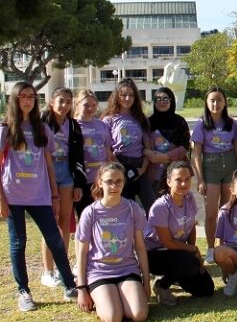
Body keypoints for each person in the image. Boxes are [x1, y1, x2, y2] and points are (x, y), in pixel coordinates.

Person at [0, 82, 78, 311]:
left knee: (55, 240)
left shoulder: (42, 129)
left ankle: (70, 285)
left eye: (31, 96)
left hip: (40, 196)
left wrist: (55, 195)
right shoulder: (5, 129)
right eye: (23, 96)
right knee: (18, 244)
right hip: (13, 196)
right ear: (15, 99)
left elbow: (49, 164)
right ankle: (24, 291)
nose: (28, 100)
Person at [74, 162, 150, 322]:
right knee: (113, 319)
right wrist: (81, 289)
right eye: (109, 181)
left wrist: (146, 282)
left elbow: (140, 248)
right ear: (100, 182)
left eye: (118, 181)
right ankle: (105, 299)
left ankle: (119, 297)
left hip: (126, 269)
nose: (114, 186)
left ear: (124, 182)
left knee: (139, 315)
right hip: (99, 272)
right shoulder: (90, 213)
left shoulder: (132, 208)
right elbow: (82, 253)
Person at [144, 161, 213, 306]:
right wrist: (193, 251)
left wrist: (192, 251)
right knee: (189, 262)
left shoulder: (190, 199)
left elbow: (191, 227)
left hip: (178, 254)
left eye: (187, 179)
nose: (184, 184)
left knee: (206, 289)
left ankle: (175, 275)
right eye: (178, 180)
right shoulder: (160, 207)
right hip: (154, 255)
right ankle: (161, 286)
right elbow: (167, 242)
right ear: (168, 182)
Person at [39, 87, 87, 288]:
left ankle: (62, 267)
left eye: (69, 101)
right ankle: (47, 271)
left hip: (66, 174)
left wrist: (78, 183)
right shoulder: (42, 123)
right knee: (49, 223)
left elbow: (78, 155)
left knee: (65, 223)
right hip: (45, 174)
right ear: (52, 102)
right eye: (61, 101)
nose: (65, 105)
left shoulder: (74, 125)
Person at [191, 87, 237, 264]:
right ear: (206, 102)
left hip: (230, 165)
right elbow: (196, 154)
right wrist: (199, 178)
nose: (216, 103)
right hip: (210, 167)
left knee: (226, 211)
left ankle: (223, 246)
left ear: (225, 102)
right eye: (212, 100)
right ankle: (212, 248)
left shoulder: (232, 124)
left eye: (219, 100)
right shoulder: (201, 124)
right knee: (212, 212)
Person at [103, 78, 155, 212]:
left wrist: (143, 168)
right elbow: (107, 148)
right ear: (117, 96)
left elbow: (147, 148)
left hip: (138, 166)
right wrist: (120, 168)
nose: (127, 98)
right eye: (124, 94)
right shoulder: (109, 119)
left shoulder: (141, 119)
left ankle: (151, 233)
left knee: (152, 206)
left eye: (131, 95)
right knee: (122, 207)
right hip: (118, 164)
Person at [74, 89, 114, 217]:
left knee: (102, 216)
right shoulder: (72, 125)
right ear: (77, 104)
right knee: (85, 217)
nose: (90, 108)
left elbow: (107, 151)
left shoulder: (101, 125)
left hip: (100, 180)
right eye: (86, 105)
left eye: (93, 105)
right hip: (82, 180)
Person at [145, 86, 190, 197]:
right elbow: (143, 145)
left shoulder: (179, 121)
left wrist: (165, 157)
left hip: (176, 172)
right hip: (154, 173)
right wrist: (150, 154)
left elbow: (185, 146)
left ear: (171, 101)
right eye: (158, 99)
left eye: (166, 99)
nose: (162, 102)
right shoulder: (148, 122)